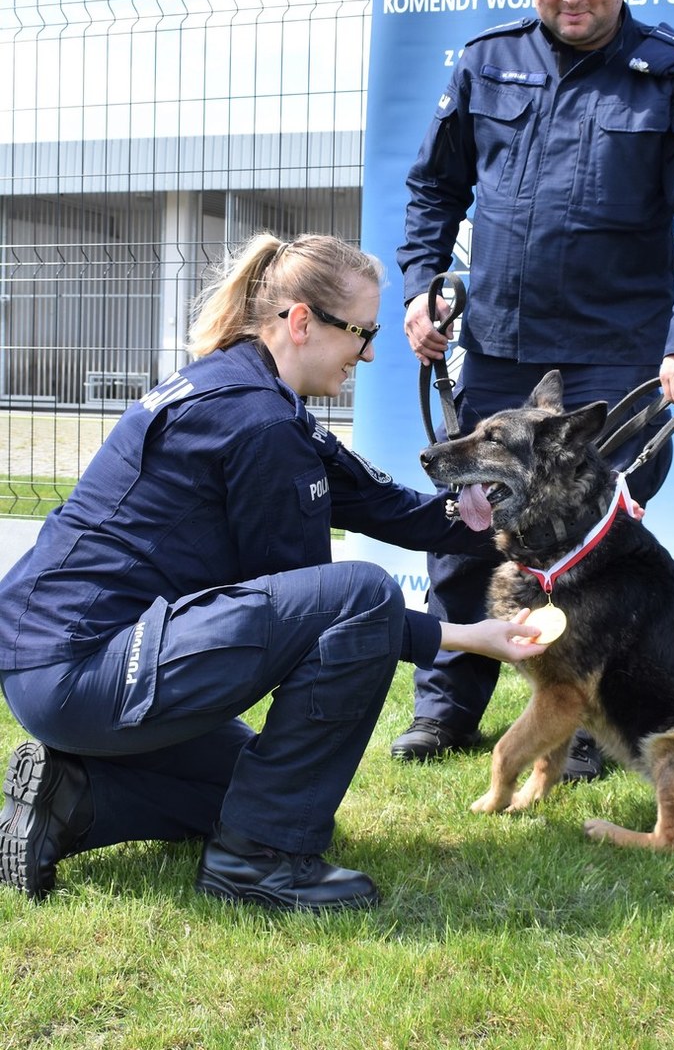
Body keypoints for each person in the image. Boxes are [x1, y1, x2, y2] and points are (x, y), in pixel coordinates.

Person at [0, 232, 545, 913]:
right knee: (361, 593)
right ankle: (256, 864)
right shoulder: (258, 423)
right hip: (87, 671)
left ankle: (72, 799)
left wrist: (529, 524)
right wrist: (472, 636)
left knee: (250, 792)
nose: (371, 352)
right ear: (299, 322)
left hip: (56, 665)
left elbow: (392, 509)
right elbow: (339, 618)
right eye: (362, 333)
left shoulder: (249, 390)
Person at [391, 0, 674, 775]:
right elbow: (434, 190)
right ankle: (445, 710)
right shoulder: (485, 62)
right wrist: (419, 290)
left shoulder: (671, 75)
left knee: (595, 551)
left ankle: (584, 725)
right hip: (502, 345)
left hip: (618, 359)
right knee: (467, 528)